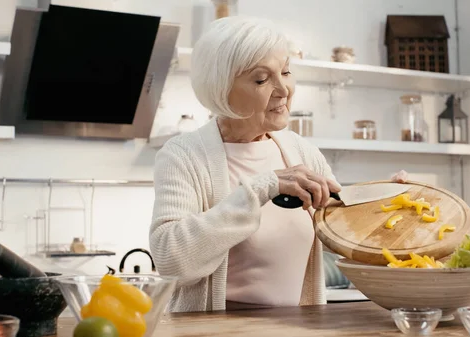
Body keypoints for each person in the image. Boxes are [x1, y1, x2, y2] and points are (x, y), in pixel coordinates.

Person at [149, 16, 408, 313]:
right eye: (261, 79)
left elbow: (340, 224)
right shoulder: (183, 156)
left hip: (296, 327)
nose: (283, 89)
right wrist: (263, 186)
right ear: (221, 89)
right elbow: (170, 260)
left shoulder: (301, 151)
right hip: (216, 330)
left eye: (285, 72)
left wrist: (389, 206)